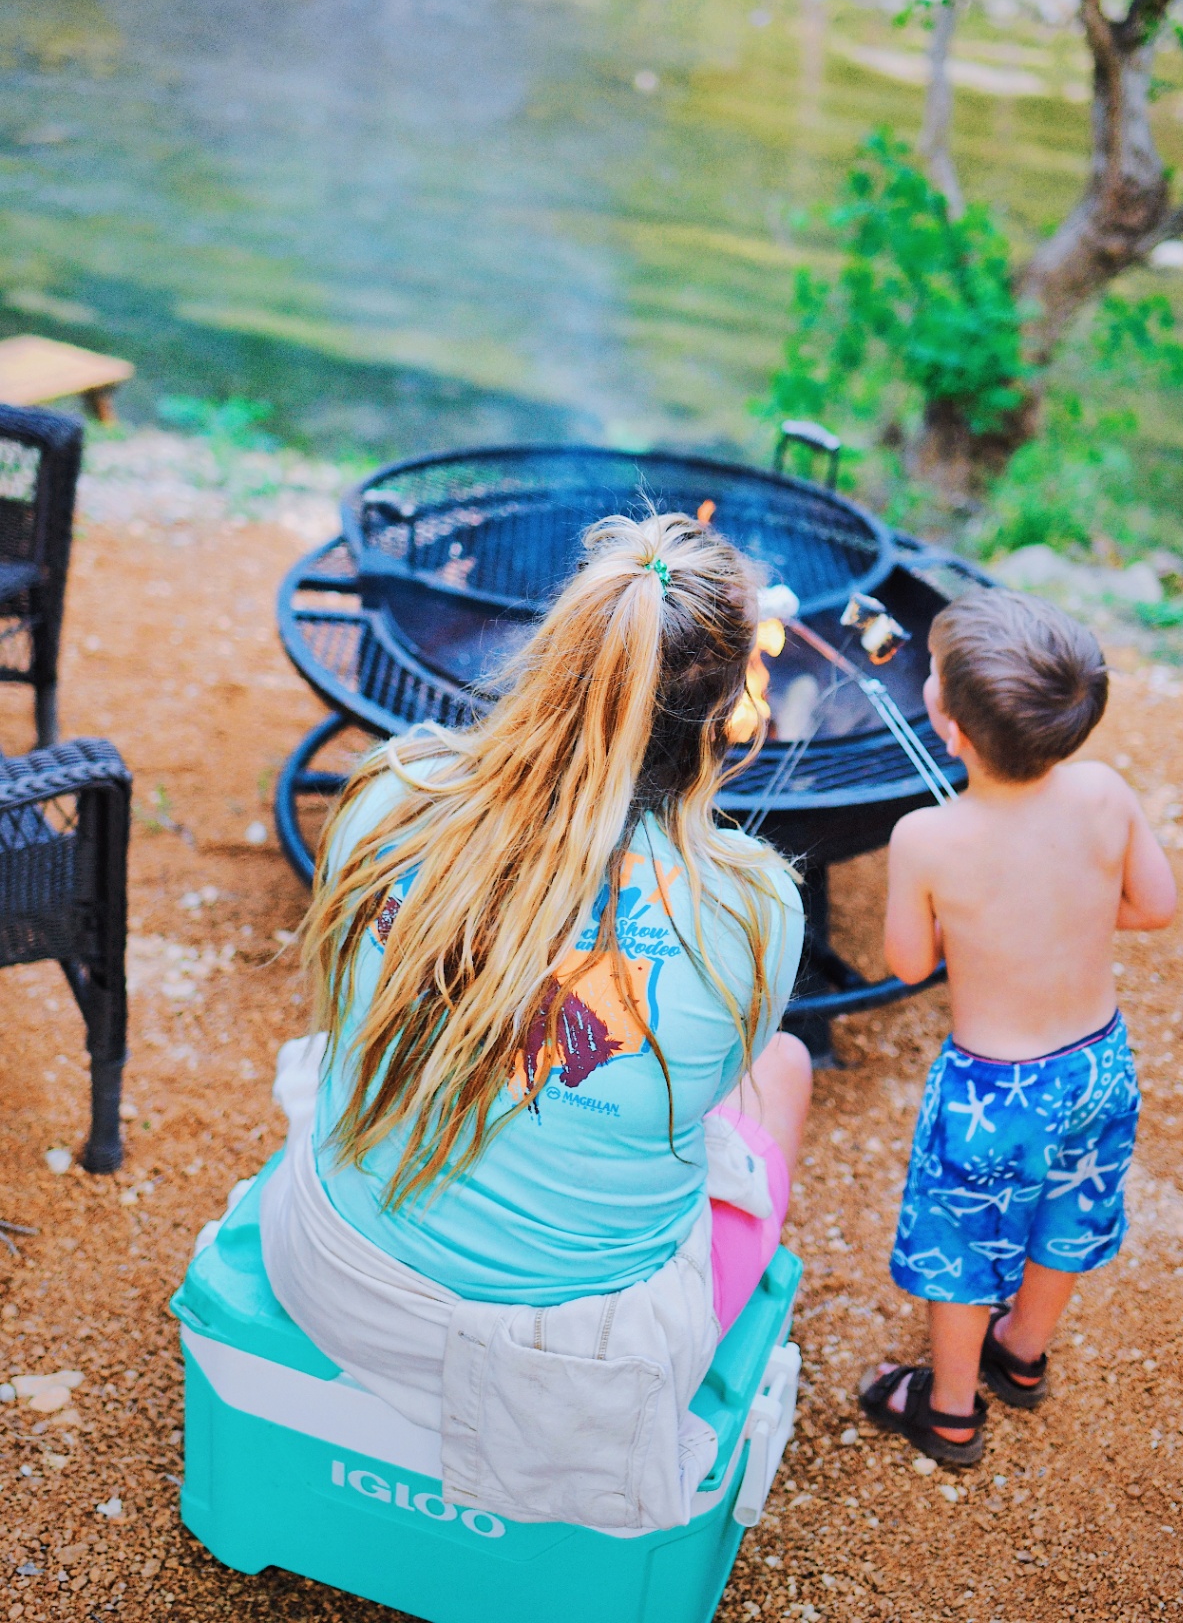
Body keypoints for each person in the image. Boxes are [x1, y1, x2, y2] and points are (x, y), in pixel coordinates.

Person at [261, 509, 811, 1531]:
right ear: (730, 708)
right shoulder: (752, 908)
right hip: (568, 1361)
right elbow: (713, 1076)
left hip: (334, 1275)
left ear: (561, 644)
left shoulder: (394, 792)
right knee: (782, 1069)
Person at [858, 589, 1175, 1466]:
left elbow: (908, 965)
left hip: (993, 1092)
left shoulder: (926, 836)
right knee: (1069, 1211)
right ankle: (1021, 1354)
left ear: (949, 728)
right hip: (1098, 1066)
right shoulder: (1104, 791)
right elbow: (1156, 906)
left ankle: (951, 1411)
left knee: (961, 1245)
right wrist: (1058, 914)